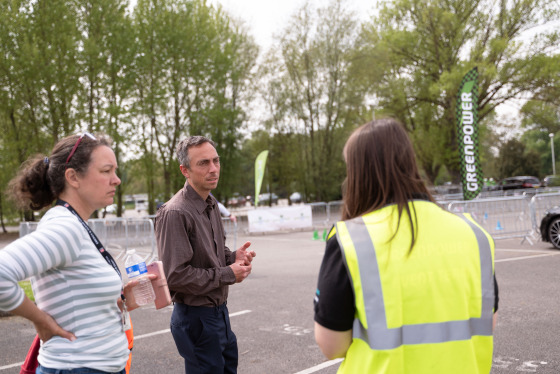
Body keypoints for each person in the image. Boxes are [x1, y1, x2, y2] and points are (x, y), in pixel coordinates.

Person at [313, 118, 498, 373]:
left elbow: (330, 345)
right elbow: (488, 321)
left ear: (358, 174)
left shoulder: (351, 240)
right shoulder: (474, 235)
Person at [0, 132, 154, 374]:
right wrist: (41, 320)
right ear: (73, 177)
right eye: (106, 171)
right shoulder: (65, 228)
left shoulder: (75, 224)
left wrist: (115, 298)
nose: (117, 180)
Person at [155, 135, 256, 374]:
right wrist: (228, 274)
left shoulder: (209, 202)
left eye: (216, 161)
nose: (213, 169)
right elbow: (176, 276)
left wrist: (233, 258)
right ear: (185, 170)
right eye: (203, 163)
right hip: (196, 318)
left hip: (219, 313)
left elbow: (214, 254)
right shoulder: (175, 213)